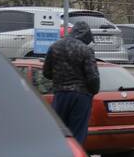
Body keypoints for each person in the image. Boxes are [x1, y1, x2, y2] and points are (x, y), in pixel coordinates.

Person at [42, 18, 100, 147]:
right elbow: (93, 77)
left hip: (60, 94)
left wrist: (59, 78)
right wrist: (94, 91)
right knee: (77, 133)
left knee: (60, 131)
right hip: (81, 96)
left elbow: (46, 73)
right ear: (85, 36)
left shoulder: (54, 47)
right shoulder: (86, 50)